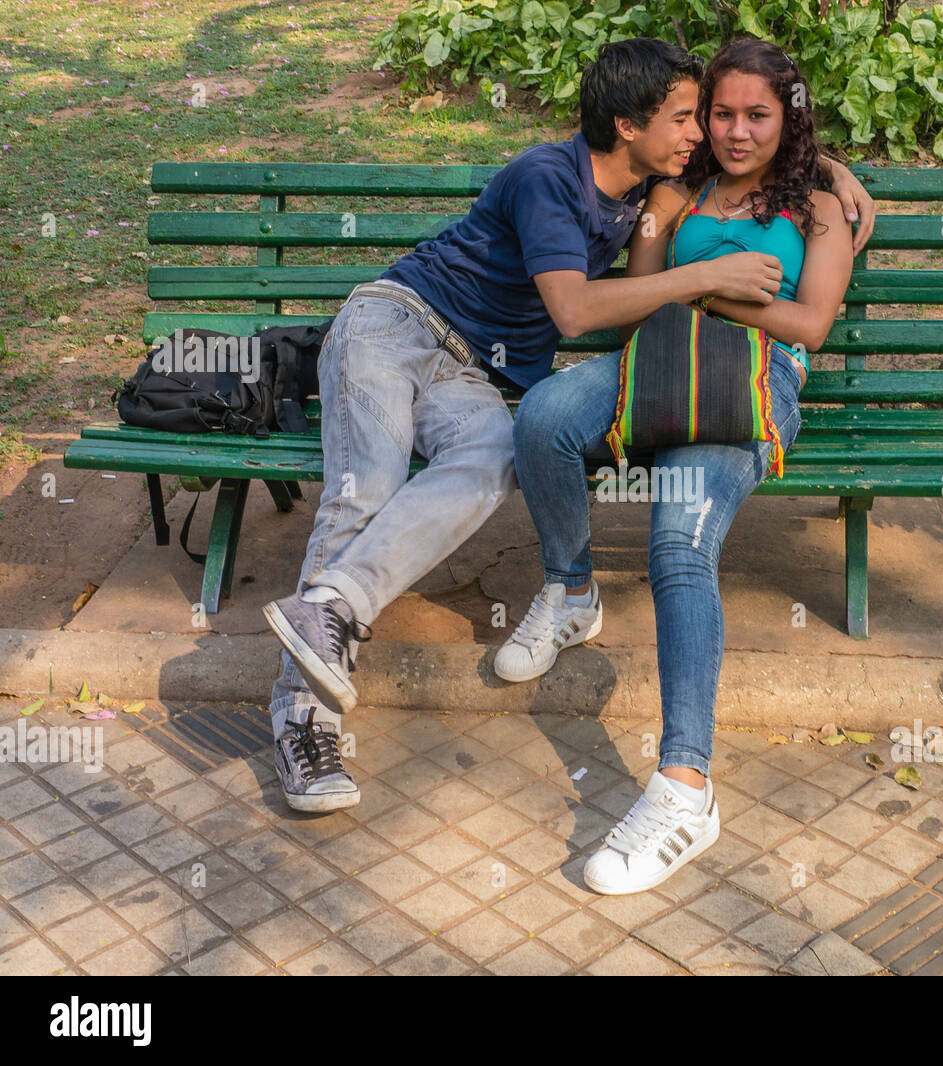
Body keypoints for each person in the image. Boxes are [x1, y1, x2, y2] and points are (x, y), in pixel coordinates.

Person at [261, 37, 876, 813]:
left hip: (487, 373)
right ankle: (304, 714)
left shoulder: (672, 181)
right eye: (701, 117)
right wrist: (710, 279)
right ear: (631, 126)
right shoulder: (565, 180)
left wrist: (830, 169)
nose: (713, 133)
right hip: (398, 327)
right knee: (371, 486)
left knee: (491, 459)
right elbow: (588, 308)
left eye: (731, 116)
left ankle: (332, 603)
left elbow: (800, 298)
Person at [497, 39, 856, 894]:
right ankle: (571, 587)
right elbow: (645, 281)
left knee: (676, 544)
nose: (732, 132)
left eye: (756, 115)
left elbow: (807, 327)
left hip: (750, 381)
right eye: (721, 113)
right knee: (544, 416)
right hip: (658, 358)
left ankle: (685, 788)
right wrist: (713, 275)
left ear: (788, 116)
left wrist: (715, 287)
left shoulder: (820, 208)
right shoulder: (676, 188)